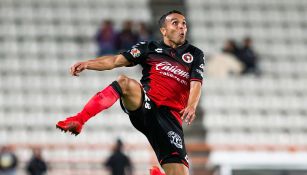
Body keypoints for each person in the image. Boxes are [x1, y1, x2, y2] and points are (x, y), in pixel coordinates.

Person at [56, 10, 205, 175]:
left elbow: (196, 83)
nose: (181, 27)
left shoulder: (195, 54)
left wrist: (191, 105)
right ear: (163, 30)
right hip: (146, 104)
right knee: (124, 82)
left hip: (170, 119)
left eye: (184, 23)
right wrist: (88, 63)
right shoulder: (149, 48)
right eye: (175, 23)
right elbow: (115, 61)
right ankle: (79, 119)